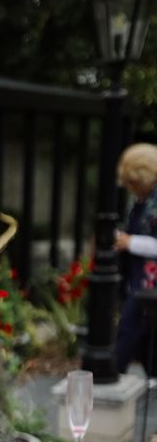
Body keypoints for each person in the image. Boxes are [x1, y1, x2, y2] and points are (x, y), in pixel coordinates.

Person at [114, 142, 157, 376]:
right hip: (138, 276)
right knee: (141, 334)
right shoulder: (142, 201)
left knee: (129, 329)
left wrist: (130, 243)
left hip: (149, 281)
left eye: (133, 183)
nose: (131, 189)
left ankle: (111, 373)